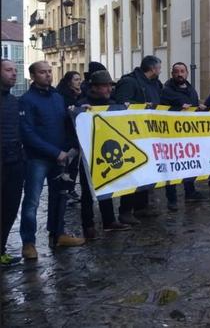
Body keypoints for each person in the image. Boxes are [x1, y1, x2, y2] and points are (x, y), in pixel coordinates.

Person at [20, 61, 85, 259]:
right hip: (38, 159)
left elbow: (65, 123)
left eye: (49, 72)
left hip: (61, 157)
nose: (48, 75)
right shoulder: (26, 100)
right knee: (32, 201)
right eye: (43, 72)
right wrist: (54, 152)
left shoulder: (57, 98)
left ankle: (58, 233)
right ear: (33, 75)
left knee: (60, 197)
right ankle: (28, 243)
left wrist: (81, 112)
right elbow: (27, 132)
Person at [74, 70, 132, 236]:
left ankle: (109, 221)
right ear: (94, 87)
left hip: (107, 150)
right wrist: (79, 111)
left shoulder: (112, 103)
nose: (108, 89)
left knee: (107, 186)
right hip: (88, 154)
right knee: (87, 191)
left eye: (109, 86)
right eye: (105, 86)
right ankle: (88, 225)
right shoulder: (83, 103)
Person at [113, 55, 164, 224]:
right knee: (132, 173)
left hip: (149, 134)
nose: (160, 71)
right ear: (153, 69)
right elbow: (121, 104)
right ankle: (125, 211)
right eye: (159, 68)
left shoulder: (155, 83)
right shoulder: (129, 82)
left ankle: (141, 207)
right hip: (131, 136)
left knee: (145, 172)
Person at [160, 62, 208, 206]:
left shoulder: (191, 89)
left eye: (182, 71)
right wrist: (177, 108)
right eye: (177, 71)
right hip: (171, 137)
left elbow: (193, 108)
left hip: (188, 135)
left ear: (187, 73)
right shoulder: (166, 90)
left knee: (189, 164)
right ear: (172, 74)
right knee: (172, 167)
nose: (180, 74)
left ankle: (190, 192)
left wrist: (198, 108)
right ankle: (172, 199)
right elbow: (160, 110)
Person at [1, 59, 24, 265]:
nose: (14, 74)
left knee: (10, 208)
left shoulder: (15, 101)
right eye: (9, 70)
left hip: (15, 161)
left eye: (15, 71)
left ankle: (1, 250)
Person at [57, 71, 84, 203]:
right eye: (76, 80)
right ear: (69, 82)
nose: (79, 82)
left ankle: (70, 189)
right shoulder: (62, 96)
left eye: (80, 79)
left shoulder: (78, 94)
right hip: (68, 137)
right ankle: (65, 190)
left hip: (76, 136)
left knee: (74, 165)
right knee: (67, 164)